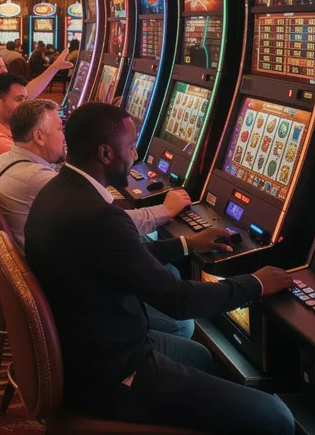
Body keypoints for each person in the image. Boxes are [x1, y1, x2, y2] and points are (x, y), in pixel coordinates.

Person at [24, 103, 296, 434]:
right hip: (111, 374)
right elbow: (178, 300)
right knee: (277, 417)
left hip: (88, 348)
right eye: (131, 146)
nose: (137, 155)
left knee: (199, 356)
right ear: (106, 153)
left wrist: (187, 244)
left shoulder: (57, 192)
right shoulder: (97, 217)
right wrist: (255, 283)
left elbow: (123, 256)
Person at [0, 98, 197, 340]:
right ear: (38, 136)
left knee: (154, 254)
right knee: (181, 320)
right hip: (73, 306)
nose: (65, 137)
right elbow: (111, 221)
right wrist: (166, 210)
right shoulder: (41, 180)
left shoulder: (5, 159)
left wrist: (185, 243)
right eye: (60, 128)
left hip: (48, 280)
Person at [0, 50, 71, 136]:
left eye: (4, 67)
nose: (4, 71)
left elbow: (26, 93)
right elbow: (13, 127)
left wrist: (54, 67)